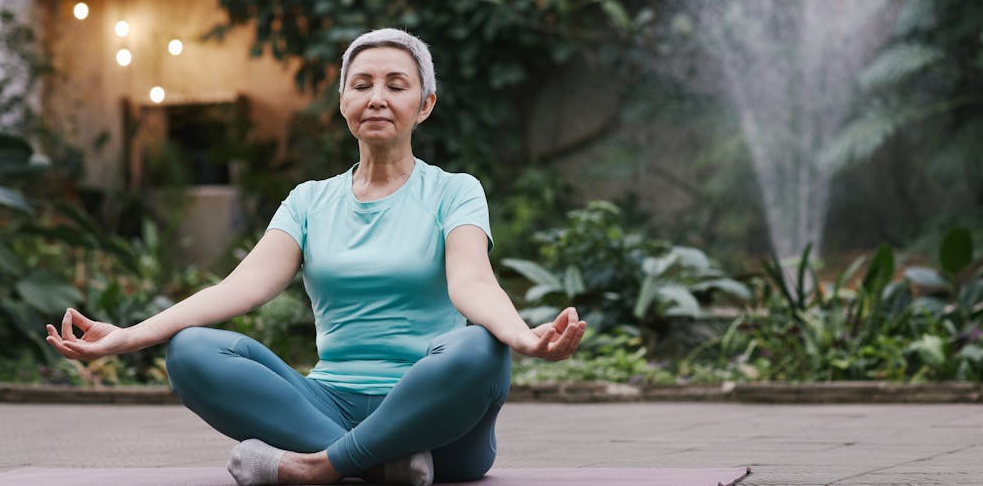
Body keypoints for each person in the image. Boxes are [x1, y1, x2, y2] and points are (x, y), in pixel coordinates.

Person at [45, 28, 586, 486]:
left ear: (425, 106)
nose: (377, 97)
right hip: (326, 404)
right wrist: (129, 336)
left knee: (480, 349)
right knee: (190, 351)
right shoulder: (308, 200)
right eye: (362, 84)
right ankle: (381, 464)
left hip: (439, 426)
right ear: (343, 101)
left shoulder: (455, 191)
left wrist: (522, 337)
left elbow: (472, 283)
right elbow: (239, 289)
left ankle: (316, 469)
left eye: (397, 86)